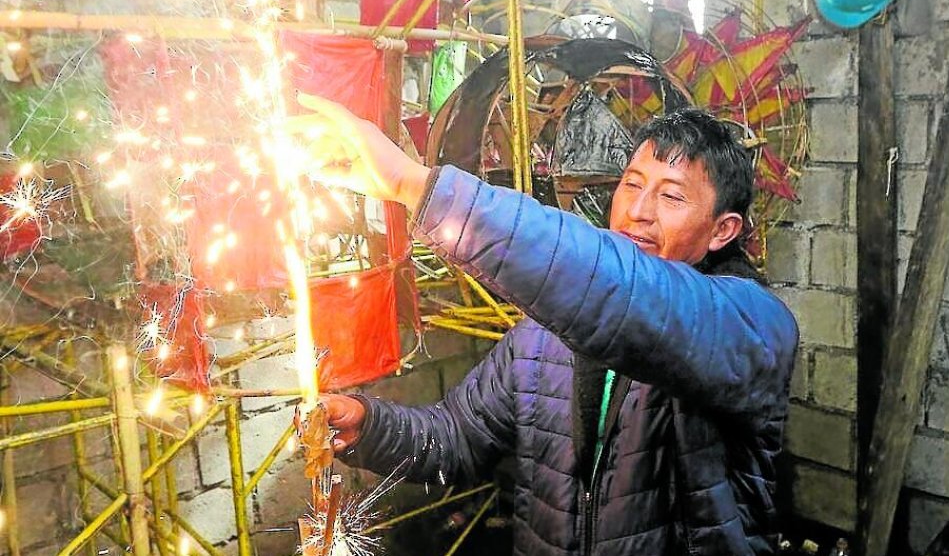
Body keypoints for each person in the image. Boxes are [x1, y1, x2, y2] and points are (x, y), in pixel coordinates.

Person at [290, 92, 800, 556]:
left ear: (722, 230)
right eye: (631, 185)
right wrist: (367, 424)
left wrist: (413, 185)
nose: (637, 213)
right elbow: (454, 438)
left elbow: (632, 296)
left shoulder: (750, 327)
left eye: (671, 197)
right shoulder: (542, 337)